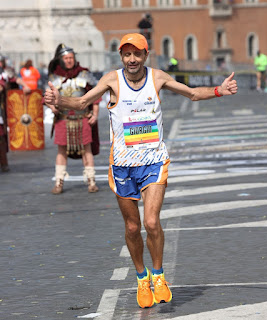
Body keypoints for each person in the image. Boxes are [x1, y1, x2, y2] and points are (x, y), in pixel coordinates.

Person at [45, 33, 238, 308]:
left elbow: (193, 93)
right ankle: (141, 277)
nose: (132, 59)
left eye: (137, 54)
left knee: (150, 222)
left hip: (154, 161)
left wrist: (220, 90)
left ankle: (158, 275)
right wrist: (58, 101)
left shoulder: (157, 77)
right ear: (121, 57)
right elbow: (81, 102)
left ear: (145, 55)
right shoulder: (112, 80)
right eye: (126, 54)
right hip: (122, 165)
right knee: (133, 227)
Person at [46, 44, 100, 194]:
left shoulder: (84, 74)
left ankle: (91, 181)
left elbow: (96, 96)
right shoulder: (54, 77)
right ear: (61, 60)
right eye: (66, 58)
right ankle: (59, 182)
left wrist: (94, 114)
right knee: (61, 151)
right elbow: (47, 98)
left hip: (82, 118)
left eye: (71, 58)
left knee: (86, 149)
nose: (69, 61)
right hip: (63, 119)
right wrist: (52, 108)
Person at [0, 55, 30, 172]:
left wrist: (25, 85)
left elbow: (15, 79)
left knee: (1, 137)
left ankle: (3, 163)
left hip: (1, 108)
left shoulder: (4, 74)